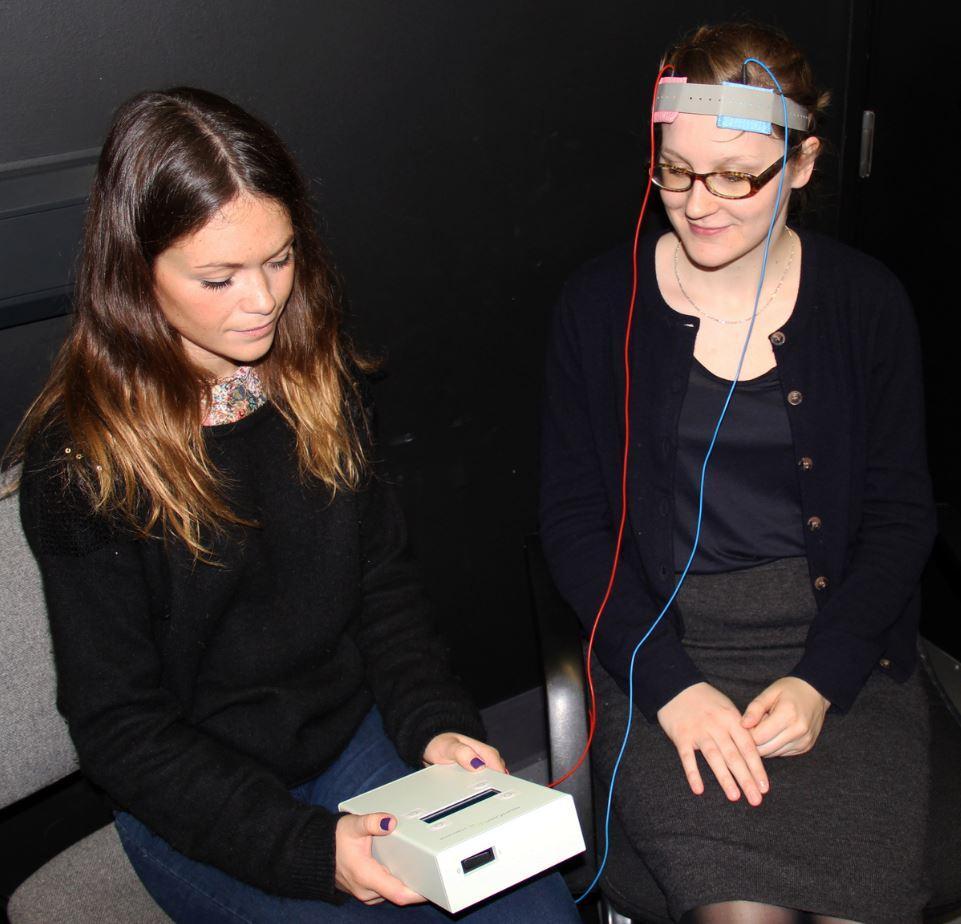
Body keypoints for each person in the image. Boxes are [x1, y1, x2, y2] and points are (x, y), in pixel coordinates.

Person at [8, 87, 580, 924]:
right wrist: (312, 851)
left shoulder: (314, 381)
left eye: (279, 259)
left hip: (350, 742)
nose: (263, 300)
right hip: (199, 800)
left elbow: (381, 590)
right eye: (218, 276)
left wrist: (435, 725)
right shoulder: (84, 468)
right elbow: (122, 730)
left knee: (532, 911)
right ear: (135, 273)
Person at [540, 22, 936, 924]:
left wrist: (822, 677)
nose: (697, 203)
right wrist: (668, 687)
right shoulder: (599, 307)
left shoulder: (865, 302)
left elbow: (901, 513)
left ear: (799, 166)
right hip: (665, 652)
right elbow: (571, 524)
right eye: (674, 171)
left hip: (841, 650)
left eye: (735, 176)